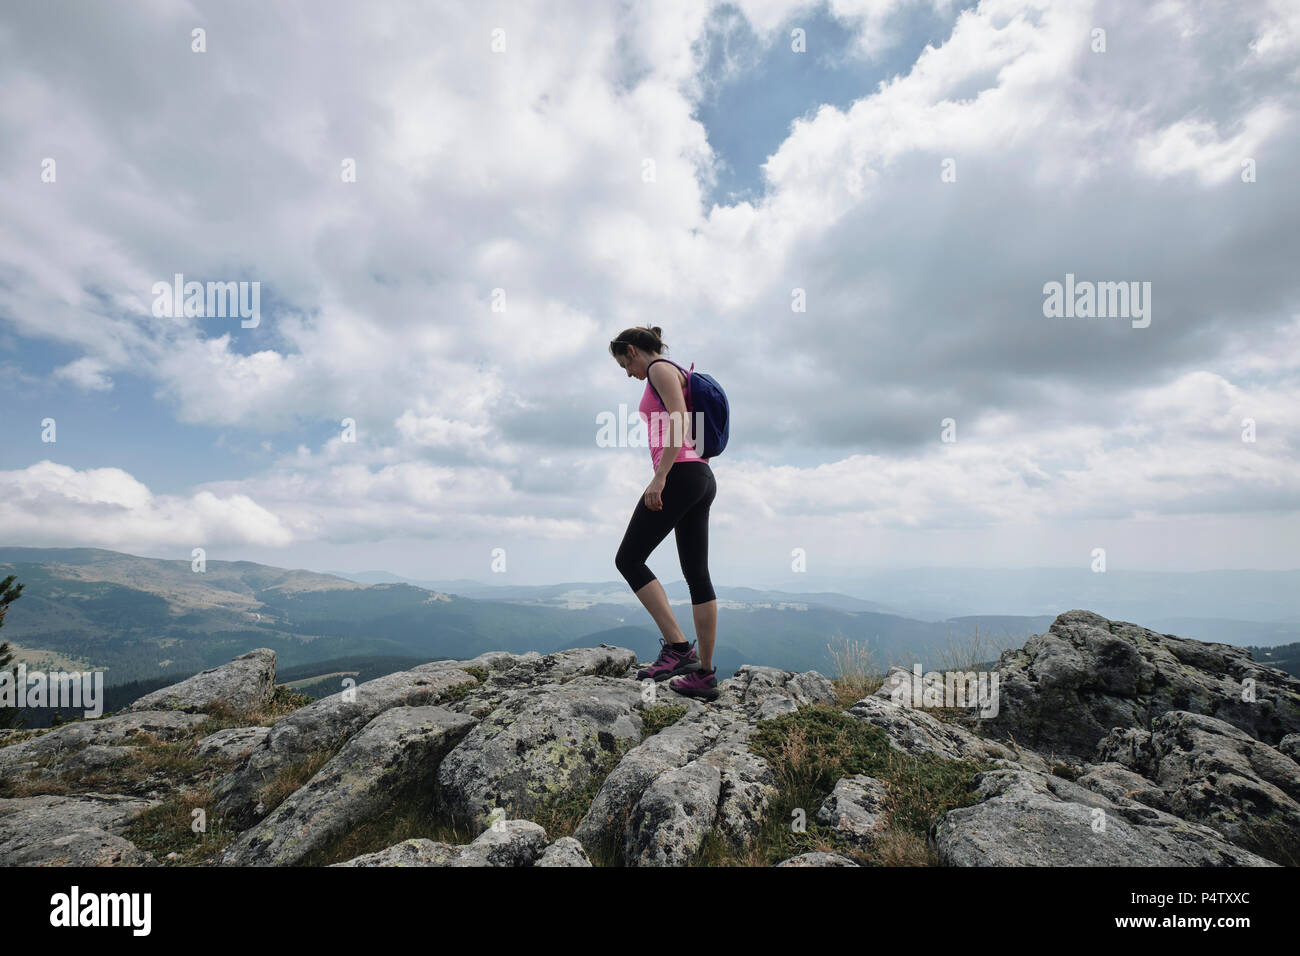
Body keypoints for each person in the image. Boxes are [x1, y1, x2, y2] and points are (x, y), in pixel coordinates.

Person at [610, 326, 719, 701]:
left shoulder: (658, 369)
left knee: (628, 558)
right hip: (700, 475)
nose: (628, 373)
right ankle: (703, 675)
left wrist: (660, 477)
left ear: (632, 351)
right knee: (697, 574)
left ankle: (677, 649)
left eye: (625, 364)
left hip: (680, 474)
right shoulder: (677, 371)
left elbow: (678, 419)